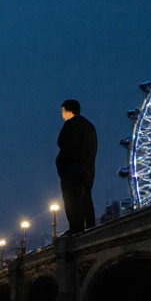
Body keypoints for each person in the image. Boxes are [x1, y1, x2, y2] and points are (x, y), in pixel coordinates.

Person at [56, 99, 97, 234]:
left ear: (69, 111)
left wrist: (60, 164)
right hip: (88, 170)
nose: (62, 114)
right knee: (86, 197)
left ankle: (76, 228)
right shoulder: (90, 127)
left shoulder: (71, 125)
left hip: (71, 171)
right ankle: (91, 226)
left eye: (63, 111)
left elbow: (66, 147)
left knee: (71, 199)